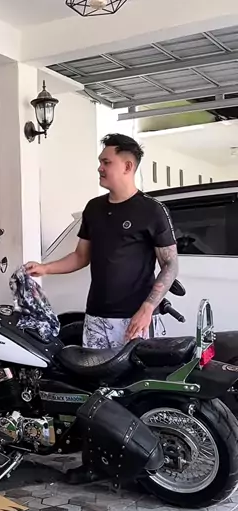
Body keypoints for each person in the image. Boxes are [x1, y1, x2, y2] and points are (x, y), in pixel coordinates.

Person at [25, 133, 178, 350]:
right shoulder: (93, 208)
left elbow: (170, 265)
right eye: (100, 162)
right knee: (92, 372)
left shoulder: (152, 211)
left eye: (106, 162)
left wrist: (147, 308)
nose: (100, 168)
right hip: (96, 317)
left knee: (134, 373)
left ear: (127, 166)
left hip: (135, 319)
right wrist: (44, 268)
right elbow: (81, 256)